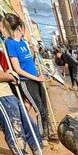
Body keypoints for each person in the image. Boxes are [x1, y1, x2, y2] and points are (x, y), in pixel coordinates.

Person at [5, 13, 52, 144]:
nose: (25, 30)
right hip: (27, 82)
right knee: (40, 110)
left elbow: (29, 63)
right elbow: (18, 69)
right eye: (24, 27)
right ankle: (41, 137)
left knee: (45, 109)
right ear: (20, 27)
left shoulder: (23, 42)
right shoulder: (10, 43)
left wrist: (35, 53)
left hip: (36, 78)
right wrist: (36, 79)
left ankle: (46, 132)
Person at [0, 62, 43, 155]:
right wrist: (10, 76)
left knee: (29, 124)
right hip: (1, 97)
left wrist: (8, 73)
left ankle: (39, 152)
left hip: (8, 93)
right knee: (15, 131)